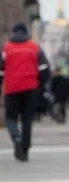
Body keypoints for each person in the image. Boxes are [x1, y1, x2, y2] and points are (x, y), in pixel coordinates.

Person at [0, 22, 51, 161]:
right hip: (30, 88)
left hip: (12, 89)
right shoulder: (34, 47)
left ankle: (16, 137)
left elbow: (0, 71)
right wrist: (40, 85)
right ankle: (25, 147)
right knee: (27, 118)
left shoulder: (6, 49)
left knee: (11, 118)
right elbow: (45, 68)